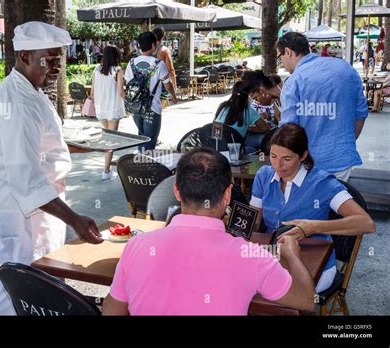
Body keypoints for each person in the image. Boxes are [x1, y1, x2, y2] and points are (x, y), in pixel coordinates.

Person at [102, 147, 316, 315]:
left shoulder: (136, 246)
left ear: (176, 190)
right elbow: (307, 301)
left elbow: (112, 310)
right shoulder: (252, 256)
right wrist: (293, 256)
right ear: (227, 195)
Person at [0, 21, 103, 315]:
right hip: (21, 209)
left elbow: (43, 147)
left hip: (40, 205)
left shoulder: (30, 90)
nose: (56, 67)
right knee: (21, 281)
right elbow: (26, 179)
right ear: (24, 56)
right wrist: (74, 218)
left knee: (38, 278)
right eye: (47, 60)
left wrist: (78, 148)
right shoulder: (17, 104)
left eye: (58, 60)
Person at [250, 124, 375, 293]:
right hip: (275, 257)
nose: (278, 165)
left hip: (315, 263)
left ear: (303, 155)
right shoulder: (263, 176)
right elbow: (254, 222)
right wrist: (237, 222)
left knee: (275, 295)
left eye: (287, 159)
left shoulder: (322, 183)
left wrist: (313, 227)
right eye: (273, 156)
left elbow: (366, 223)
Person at [276, 32, 368, 181]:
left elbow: (288, 130)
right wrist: (343, 142)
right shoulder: (346, 69)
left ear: (288, 52)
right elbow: (361, 113)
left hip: (307, 167)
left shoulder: (293, 81)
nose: (282, 64)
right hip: (342, 162)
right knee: (339, 202)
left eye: (280, 57)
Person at [125, 31, 177, 151]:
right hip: (152, 108)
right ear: (153, 45)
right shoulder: (159, 64)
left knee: (142, 137)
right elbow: (167, 84)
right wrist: (173, 96)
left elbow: (128, 83)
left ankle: (140, 163)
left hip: (135, 107)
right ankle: (145, 166)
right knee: (150, 141)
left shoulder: (131, 63)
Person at [91, 45, 125, 180]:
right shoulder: (118, 70)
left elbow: (92, 91)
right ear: (116, 56)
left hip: (101, 108)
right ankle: (106, 171)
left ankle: (107, 169)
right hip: (113, 107)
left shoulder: (97, 69)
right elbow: (121, 92)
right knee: (111, 140)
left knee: (108, 139)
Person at [214, 80, 270, 152]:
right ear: (248, 95)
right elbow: (265, 128)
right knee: (262, 140)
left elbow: (215, 131)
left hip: (217, 147)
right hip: (235, 150)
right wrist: (249, 129)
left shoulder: (223, 106)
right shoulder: (248, 110)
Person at [152, 27, 177, 108]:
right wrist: (174, 85)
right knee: (159, 109)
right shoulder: (164, 50)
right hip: (162, 83)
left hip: (149, 82)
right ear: (163, 36)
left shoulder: (147, 49)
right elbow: (171, 69)